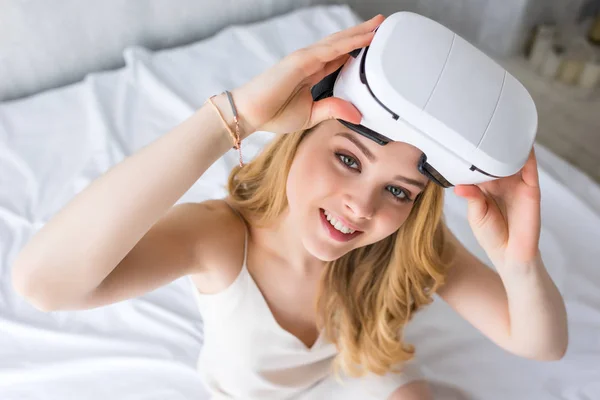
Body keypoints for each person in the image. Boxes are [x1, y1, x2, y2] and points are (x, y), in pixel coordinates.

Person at [12, 14, 568, 400]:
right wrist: (230, 119)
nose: (360, 206)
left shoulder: (404, 244)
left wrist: (519, 260)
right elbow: (44, 284)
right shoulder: (220, 238)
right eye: (348, 159)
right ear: (298, 134)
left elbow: (539, 344)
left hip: (361, 377)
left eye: (398, 190)